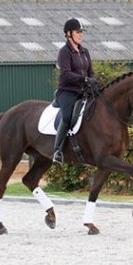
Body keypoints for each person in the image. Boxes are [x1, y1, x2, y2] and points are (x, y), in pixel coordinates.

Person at [53, 18, 97, 166]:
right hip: (67, 91)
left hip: (84, 91)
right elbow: (66, 74)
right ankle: (57, 151)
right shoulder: (64, 52)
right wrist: (84, 80)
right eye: (78, 32)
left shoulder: (85, 52)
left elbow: (91, 71)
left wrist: (92, 80)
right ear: (68, 34)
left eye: (81, 32)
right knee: (66, 116)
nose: (80, 35)